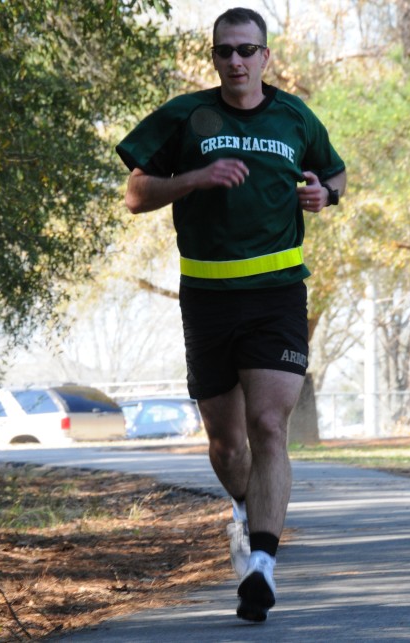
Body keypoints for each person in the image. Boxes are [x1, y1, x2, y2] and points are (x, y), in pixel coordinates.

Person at [116, 7, 346, 622]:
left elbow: (335, 173)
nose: (237, 60)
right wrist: (191, 178)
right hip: (207, 297)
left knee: (270, 425)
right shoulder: (188, 116)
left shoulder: (295, 115)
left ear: (266, 57)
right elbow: (136, 193)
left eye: (248, 50)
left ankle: (263, 568)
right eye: (225, 51)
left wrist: (324, 194)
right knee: (227, 441)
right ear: (213, 57)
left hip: (276, 294)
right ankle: (246, 512)